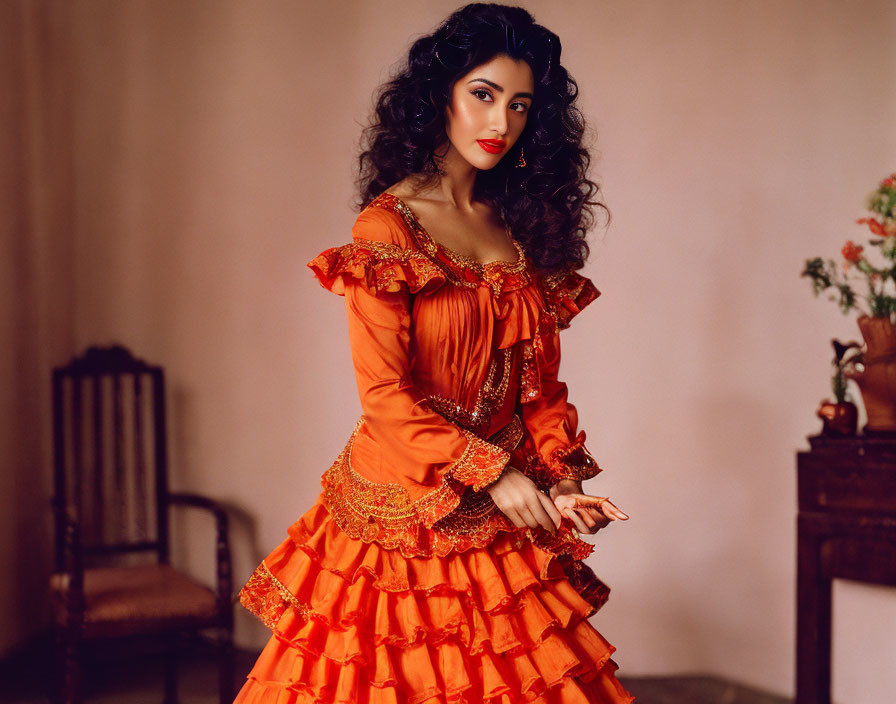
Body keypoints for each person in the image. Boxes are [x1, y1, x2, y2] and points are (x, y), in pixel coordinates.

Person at [234, 4, 634, 702]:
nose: (500, 123)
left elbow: (538, 391)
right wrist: (494, 475)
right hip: (403, 508)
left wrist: (564, 486)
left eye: (518, 105)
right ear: (439, 95)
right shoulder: (388, 226)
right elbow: (385, 398)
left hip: (500, 509)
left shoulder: (518, 226)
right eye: (483, 95)